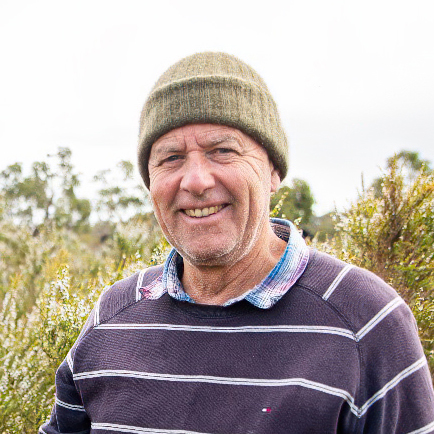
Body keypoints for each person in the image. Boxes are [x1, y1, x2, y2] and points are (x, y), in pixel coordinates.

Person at [39, 52, 434, 434]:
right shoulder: (111, 318)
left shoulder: (366, 322)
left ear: (273, 170)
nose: (195, 181)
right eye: (171, 158)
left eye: (223, 151)